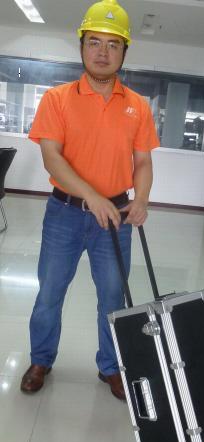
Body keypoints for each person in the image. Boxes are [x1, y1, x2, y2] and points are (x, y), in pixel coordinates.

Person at [20, 0, 159, 399]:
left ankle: (111, 367)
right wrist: (93, 197)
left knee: (113, 297)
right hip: (64, 213)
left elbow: (143, 161)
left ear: (124, 52)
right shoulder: (57, 99)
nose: (102, 52)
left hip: (116, 216)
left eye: (113, 44)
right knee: (50, 293)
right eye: (94, 42)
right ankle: (41, 359)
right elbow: (52, 157)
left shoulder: (137, 106)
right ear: (81, 46)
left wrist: (142, 199)